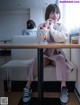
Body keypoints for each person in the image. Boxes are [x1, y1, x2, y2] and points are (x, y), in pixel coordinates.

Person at [23, 4, 73, 103]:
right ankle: (27, 87)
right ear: (48, 14)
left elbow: (62, 37)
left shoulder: (62, 26)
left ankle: (63, 88)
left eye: (57, 12)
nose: (55, 15)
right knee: (36, 62)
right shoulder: (42, 25)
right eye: (52, 12)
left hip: (56, 53)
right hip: (45, 54)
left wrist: (52, 29)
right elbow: (41, 39)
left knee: (61, 60)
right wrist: (46, 27)